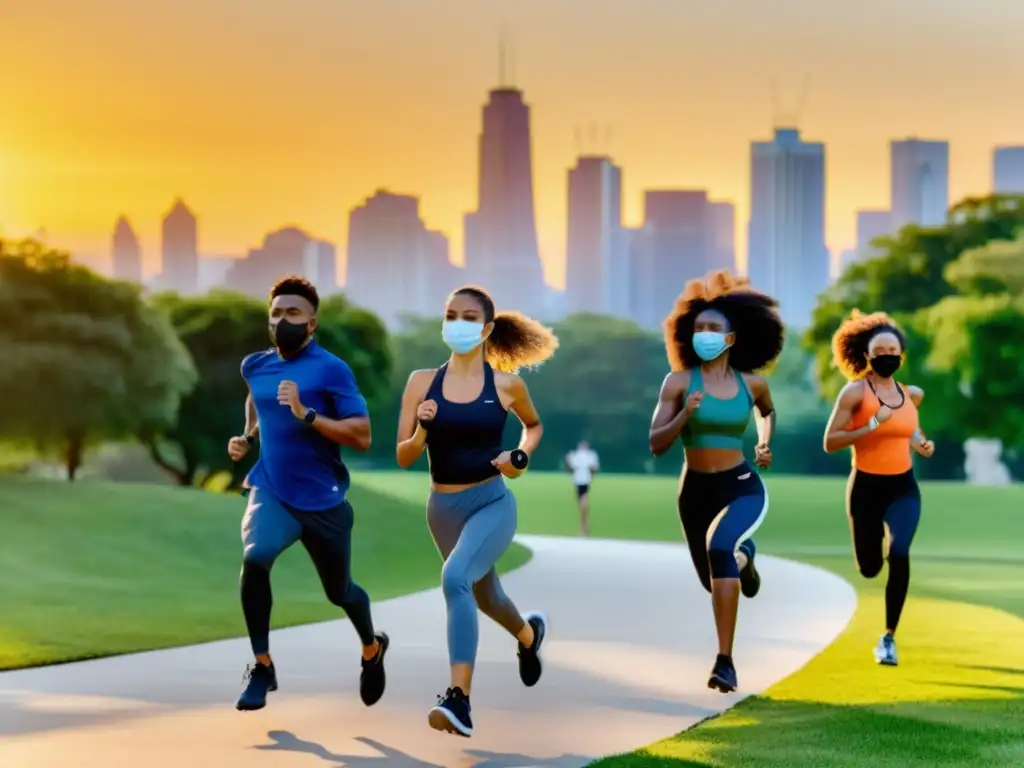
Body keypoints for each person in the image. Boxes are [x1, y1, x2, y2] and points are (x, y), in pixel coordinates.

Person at [395, 285, 559, 738]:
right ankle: (529, 637)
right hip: (441, 509)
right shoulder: (420, 382)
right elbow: (404, 455)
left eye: (468, 317)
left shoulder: (506, 384)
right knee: (487, 597)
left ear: (486, 329)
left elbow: (534, 426)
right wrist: (423, 430)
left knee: (455, 579)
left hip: (491, 502)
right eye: (451, 314)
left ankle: (459, 700)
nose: (457, 323)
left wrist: (519, 457)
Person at [227, 276, 389, 712]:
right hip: (271, 488)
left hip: (323, 499)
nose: (283, 321)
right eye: (276, 313)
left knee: (341, 592)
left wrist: (307, 414)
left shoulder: (332, 370)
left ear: (312, 323)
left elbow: (362, 435)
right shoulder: (255, 365)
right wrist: (247, 435)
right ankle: (262, 665)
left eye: (293, 313)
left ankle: (372, 647)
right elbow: (254, 398)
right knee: (255, 557)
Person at [647, 270, 783, 694]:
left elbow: (766, 411)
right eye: (698, 327)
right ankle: (746, 561)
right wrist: (685, 414)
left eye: (714, 328)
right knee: (714, 578)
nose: (704, 334)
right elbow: (656, 443)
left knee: (718, 548)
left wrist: (764, 442)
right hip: (695, 492)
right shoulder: (679, 382)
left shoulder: (752, 384)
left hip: (741, 484)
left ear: (732, 337)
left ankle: (725, 662)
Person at [823, 310, 935, 666]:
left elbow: (908, 429)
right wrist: (871, 424)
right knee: (870, 568)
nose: (886, 354)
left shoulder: (911, 394)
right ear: (866, 355)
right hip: (866, 488)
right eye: (879, 349)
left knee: (899, 552)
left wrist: (921, 443)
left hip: (903, 487)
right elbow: (831, 441)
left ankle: (888, 638)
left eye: (892, 349)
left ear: (900, 355)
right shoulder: (855, 393)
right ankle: (872, 553)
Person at [564, 440, 600, 536]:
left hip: (581, 481)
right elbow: (594, 469)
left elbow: (570, 468)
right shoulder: (588, 456)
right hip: (582, 481)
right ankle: (584, 525)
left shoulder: (577, 456)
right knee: (581, 503)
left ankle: (584, 526)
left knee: (583, 503)